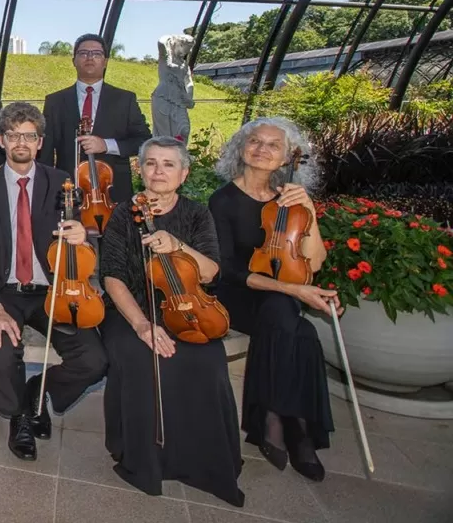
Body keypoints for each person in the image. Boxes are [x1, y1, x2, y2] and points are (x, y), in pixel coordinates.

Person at [99, 137, 244, 507]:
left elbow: (210, 273)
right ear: (139, 170)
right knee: (141, 356)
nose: (158, 171)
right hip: (130, 311)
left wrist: (179, 245)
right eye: (151, 163)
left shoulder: (196, 214)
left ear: (184, 173)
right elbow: (112, 277)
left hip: (184, 307)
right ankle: (145, 460)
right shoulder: (121, 213)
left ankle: (206, 463)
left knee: (206, 360)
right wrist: (142, 325)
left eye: (168, 164)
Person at [0, 102, 107, 462]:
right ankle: (20, 418)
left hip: (54, 289)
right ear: (1, 140)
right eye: (14, 135)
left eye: (29, 135)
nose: (21, 142)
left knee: (93, 359)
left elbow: (81, 240)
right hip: (4, 291)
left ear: (40, 142)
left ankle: (37, 391)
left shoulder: (62, 182)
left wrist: (81, 237)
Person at [210, 118, 335, 482]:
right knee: (291, 320)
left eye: (273, 145)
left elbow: (315, 262)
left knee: (300, 331)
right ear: (242, 148)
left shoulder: (290, 200)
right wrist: (294, 291)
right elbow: (226, 269)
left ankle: (277, 421)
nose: (262, 149)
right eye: (255, 142)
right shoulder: (223, 200)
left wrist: (309, 211)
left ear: (285, 159)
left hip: (280, 295)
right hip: (239, 293)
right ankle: (296, 430)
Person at [40, 34, 151, 210]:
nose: (90, 57)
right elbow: (45, 151)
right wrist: (46, 190)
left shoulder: (125, 99)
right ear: (74, 60)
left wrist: (106, 145)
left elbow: (144, 141)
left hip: (114, 193)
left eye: (97, 54)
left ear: (105, 61)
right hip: (69, 191)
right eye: (83, 53)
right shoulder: (55, 101)